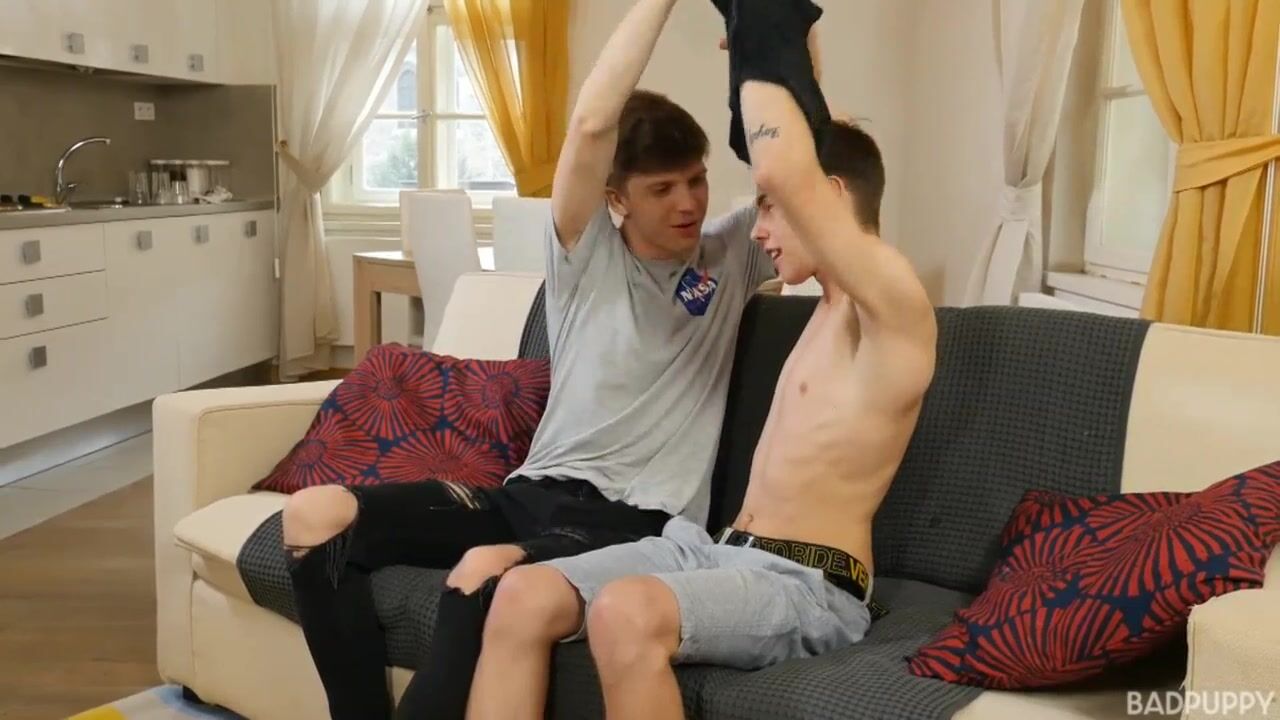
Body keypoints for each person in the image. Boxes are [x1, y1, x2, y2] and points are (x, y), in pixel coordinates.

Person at [278, 0, 776, 717]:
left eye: (695, 180)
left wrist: (776, 39)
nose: (688, 203)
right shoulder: (587, 258)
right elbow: (592, 125)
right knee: (314, 515)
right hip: (528, 494)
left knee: (483, 573)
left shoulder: (730, 258)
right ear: (615, 198)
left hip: (635, 519)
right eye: (662, 189)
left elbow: (802, 166)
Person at [464, 1, 938, 718]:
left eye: (770, 209)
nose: (758, 229)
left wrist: (760, 23)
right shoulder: (823, 309)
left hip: (812, 584)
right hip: (716, 548)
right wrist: (795, 46)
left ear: (830, 200)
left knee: (625, 614)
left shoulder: (892, 310)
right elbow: (812, 148)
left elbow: (793, 166)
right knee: (523, 594)